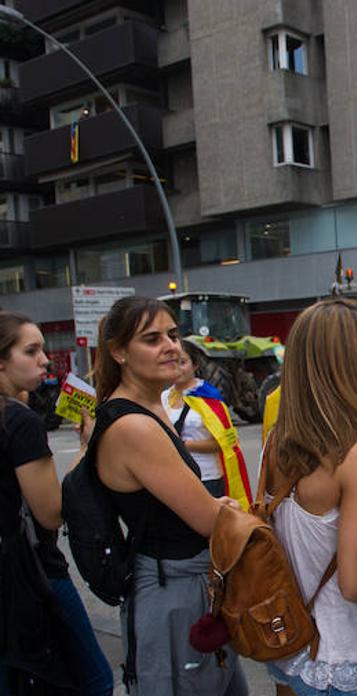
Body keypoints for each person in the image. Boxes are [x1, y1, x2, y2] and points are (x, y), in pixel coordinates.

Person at [91, 296, 246, 695]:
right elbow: (207, 519)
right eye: (152, 338)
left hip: (184, 582)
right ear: (119, 352)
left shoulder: (152, 406)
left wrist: (216, 505)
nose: (171, 346)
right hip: (171, 592)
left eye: (173, 335)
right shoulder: (134, 426)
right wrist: (222, 508)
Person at [265, 298, 357, 696]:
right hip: (340, 654)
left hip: (291, 644)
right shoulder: (354, 456)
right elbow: (355, 584)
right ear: (350, 365)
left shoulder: (276, 439)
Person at [0, 311, 114, 696]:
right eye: (30, 350)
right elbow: (50, 512)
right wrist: (85, 447)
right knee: (94, 679)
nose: (45, 359)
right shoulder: (19, 422)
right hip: (35, 573)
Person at [161, 340, 252, 509]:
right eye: (173, 362)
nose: (177, 368)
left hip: (207, 477)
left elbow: (224, 443)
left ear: (195, 365)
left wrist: (184, 445)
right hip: (176, 477)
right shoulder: (164, 397)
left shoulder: (210, 398)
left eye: (183, 362)